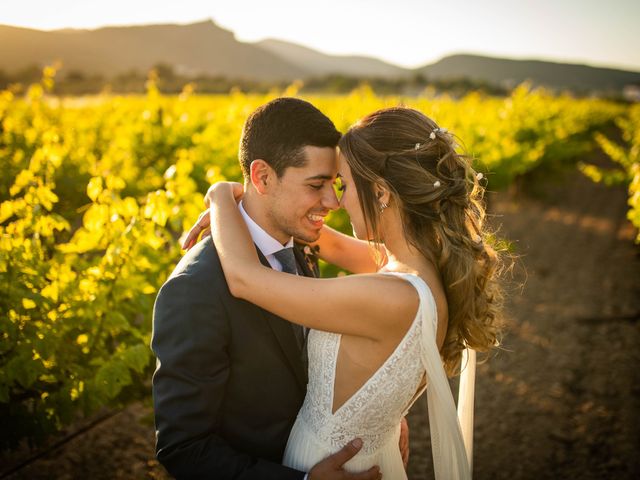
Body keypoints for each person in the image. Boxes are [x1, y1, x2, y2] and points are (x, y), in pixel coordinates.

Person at [194, 106, 504, 479]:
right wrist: (260, 205)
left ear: (381, 193)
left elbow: (244, 278)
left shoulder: (391, 297)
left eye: (343, 184)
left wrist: (219, 197)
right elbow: (332, 246)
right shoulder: (422, 267)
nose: (336, 202)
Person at [151, 97, 389, 480]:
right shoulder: (194, 290)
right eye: (316, 185)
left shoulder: (301, 242)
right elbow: (184, 448)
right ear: (262, 177)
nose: (332, 202)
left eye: (335, 184)